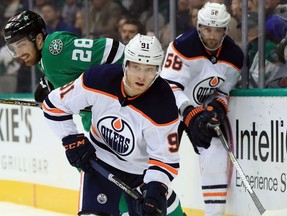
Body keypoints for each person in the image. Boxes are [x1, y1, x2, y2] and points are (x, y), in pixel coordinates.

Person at [4, 10, 186, 216]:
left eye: (20, 45)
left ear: (37, 38)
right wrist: (54, 90)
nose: (18, 53)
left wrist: (117, 86)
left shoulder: (55, 51)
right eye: (13, 48)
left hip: (125, 123)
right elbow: (57, 103)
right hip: (103, 129)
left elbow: (112, 49)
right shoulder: (59, 65)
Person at [42, 33, 181, 216]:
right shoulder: (98, 79)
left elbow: (165, 159)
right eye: (136, 67)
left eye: (149, 69)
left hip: (140, 175)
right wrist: (71, 140)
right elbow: (53, 105)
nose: (141, 76)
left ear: (157, 70)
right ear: (125, 64)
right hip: (99, 163)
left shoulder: (163, 104)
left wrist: (155, 189)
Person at [160, 2, 244, 216]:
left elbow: (223, 92)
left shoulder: (234, 56)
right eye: (207, 28)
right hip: (169, 108)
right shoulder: (182, 47)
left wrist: (217, 107)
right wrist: (189, 112)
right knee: (156, 160)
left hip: (198, 110)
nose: (212, 35)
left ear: (225, 30)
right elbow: (168, 88)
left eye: (218, 30)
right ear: (199, 27)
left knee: (215, 153)